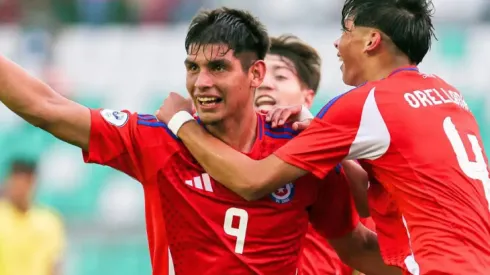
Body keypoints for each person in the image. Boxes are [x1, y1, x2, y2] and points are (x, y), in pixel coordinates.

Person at [0, 7, 398, 275]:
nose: (201, 81)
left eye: (218, 67)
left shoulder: (296, 152)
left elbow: (356, 246)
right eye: (193, 67)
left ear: (255, 73)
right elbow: (46, 106)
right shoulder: (155, 140)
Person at [155, 0, 490, 274]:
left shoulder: (363, 104)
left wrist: (182, 122)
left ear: (371, 41)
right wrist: (321, 131)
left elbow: (253, 181)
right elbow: (368, 198)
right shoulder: (447, 94)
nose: (337, 43)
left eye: (345, 31)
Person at [256, 34, 372, 275]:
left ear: (307, 97)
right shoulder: (216, 151)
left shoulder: (342, 162)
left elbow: (368, 227)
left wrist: (330, 148)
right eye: (257, 75)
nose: (265, 84)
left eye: (280, 76)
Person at [0, 159, 65, 275]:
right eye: (15, 182)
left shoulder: (49, 221)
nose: (18, 189)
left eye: (23, 183)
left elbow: (54, 265)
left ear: (32, 183)